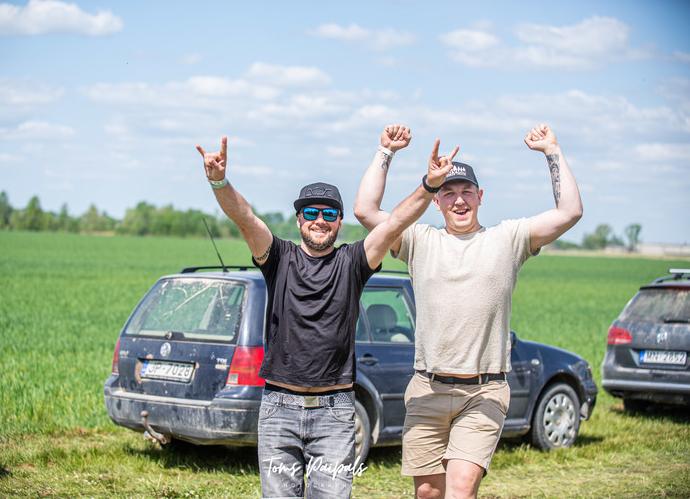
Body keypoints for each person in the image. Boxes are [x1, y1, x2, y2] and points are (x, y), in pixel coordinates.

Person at [196, 131, 455, 499]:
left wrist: (430, 185)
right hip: (278, 409)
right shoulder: (278, 257)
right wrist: (219, 181)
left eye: (329, 213)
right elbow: (246, 218)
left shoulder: (353, 262)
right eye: (312, 213)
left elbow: (395, 223)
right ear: (299, 219)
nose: (320, 220)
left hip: (334, 413)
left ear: (339, 222)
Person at [354, 124, 582, 499]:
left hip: (484, 391)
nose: (458, 200)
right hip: (427, 387)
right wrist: (385, 152)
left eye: (466, 192)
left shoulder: (508, 239)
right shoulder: (417, 240)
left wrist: (552, 151)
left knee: (461, 489)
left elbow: (570, 212)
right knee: (427, 491)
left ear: (479, 197)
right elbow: (365, 210)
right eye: (448, 193)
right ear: (436, 201)